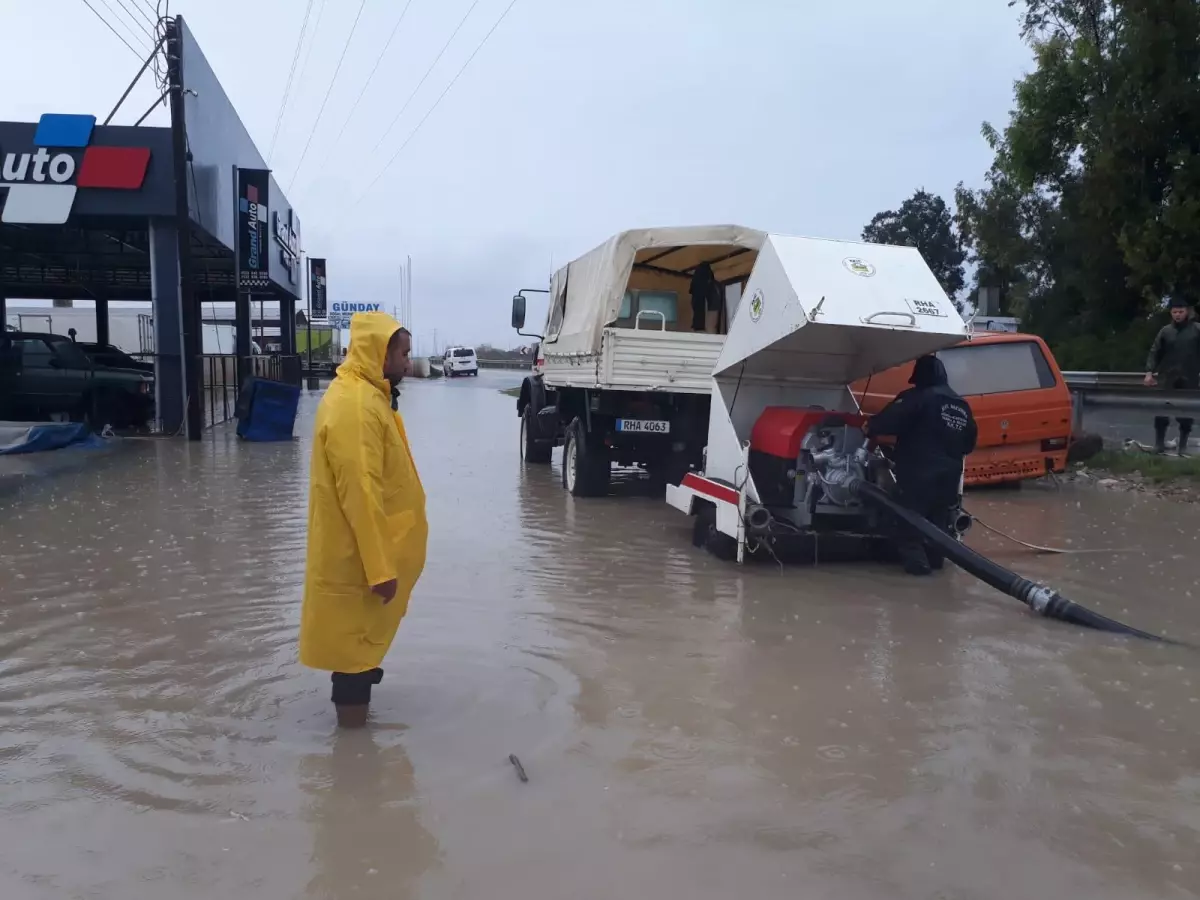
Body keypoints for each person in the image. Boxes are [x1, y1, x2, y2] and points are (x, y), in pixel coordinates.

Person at [300, 311, 428, 728]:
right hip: (358, 558)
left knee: (359, 648)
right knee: (353, 656)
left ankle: (355, 743)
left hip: (363, 553)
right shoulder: (356, 406)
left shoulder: (369, 395)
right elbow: (360, 492)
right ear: (380, 353)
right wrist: (380, 568)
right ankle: (353, 761)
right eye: (403, 354)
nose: (408, 363)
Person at [866, 354, 978, 576]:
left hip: (919, 474)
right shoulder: (961, 405)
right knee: (938, 524)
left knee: (906, 520)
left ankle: (918, 575)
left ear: (919, 377)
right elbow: (969, 444)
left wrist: (870, 427)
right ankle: (936, 565)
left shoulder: (917, 397)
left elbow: (890, 421)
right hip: (949, 479)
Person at [1144, 297, 1200, 456]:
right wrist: (1149, 372)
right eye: (1175, 312)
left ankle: (1182, 446)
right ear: (1171, 313)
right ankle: (1159, 444)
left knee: (1186, 413)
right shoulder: (1166, 331)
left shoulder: (1196, 329)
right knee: (1161, 410)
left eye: (1181, 311)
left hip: (1190, 376)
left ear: (1187, 311)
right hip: (1167, 376)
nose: (1178, 315)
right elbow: (1155, 352)